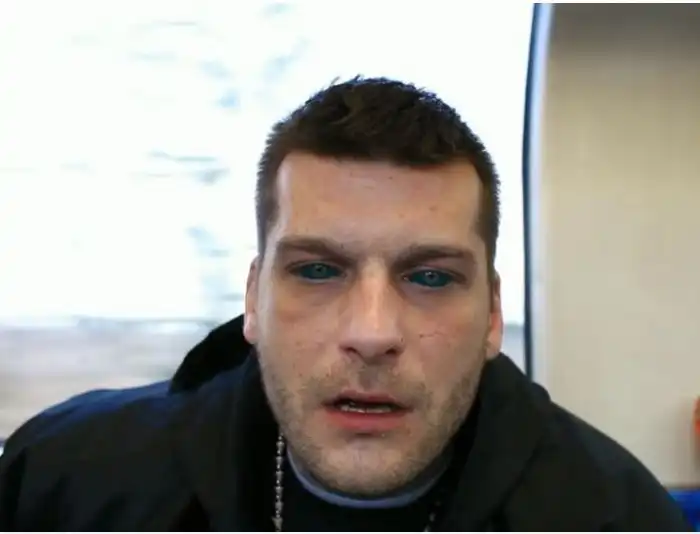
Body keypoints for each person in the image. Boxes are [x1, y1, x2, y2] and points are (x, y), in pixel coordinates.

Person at [0, 77, 691, 532]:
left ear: (490, 316)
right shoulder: (63, 482)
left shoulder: (616, 516)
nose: (371, 332)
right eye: (318, 270)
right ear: (253, 298)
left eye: (430, 278)